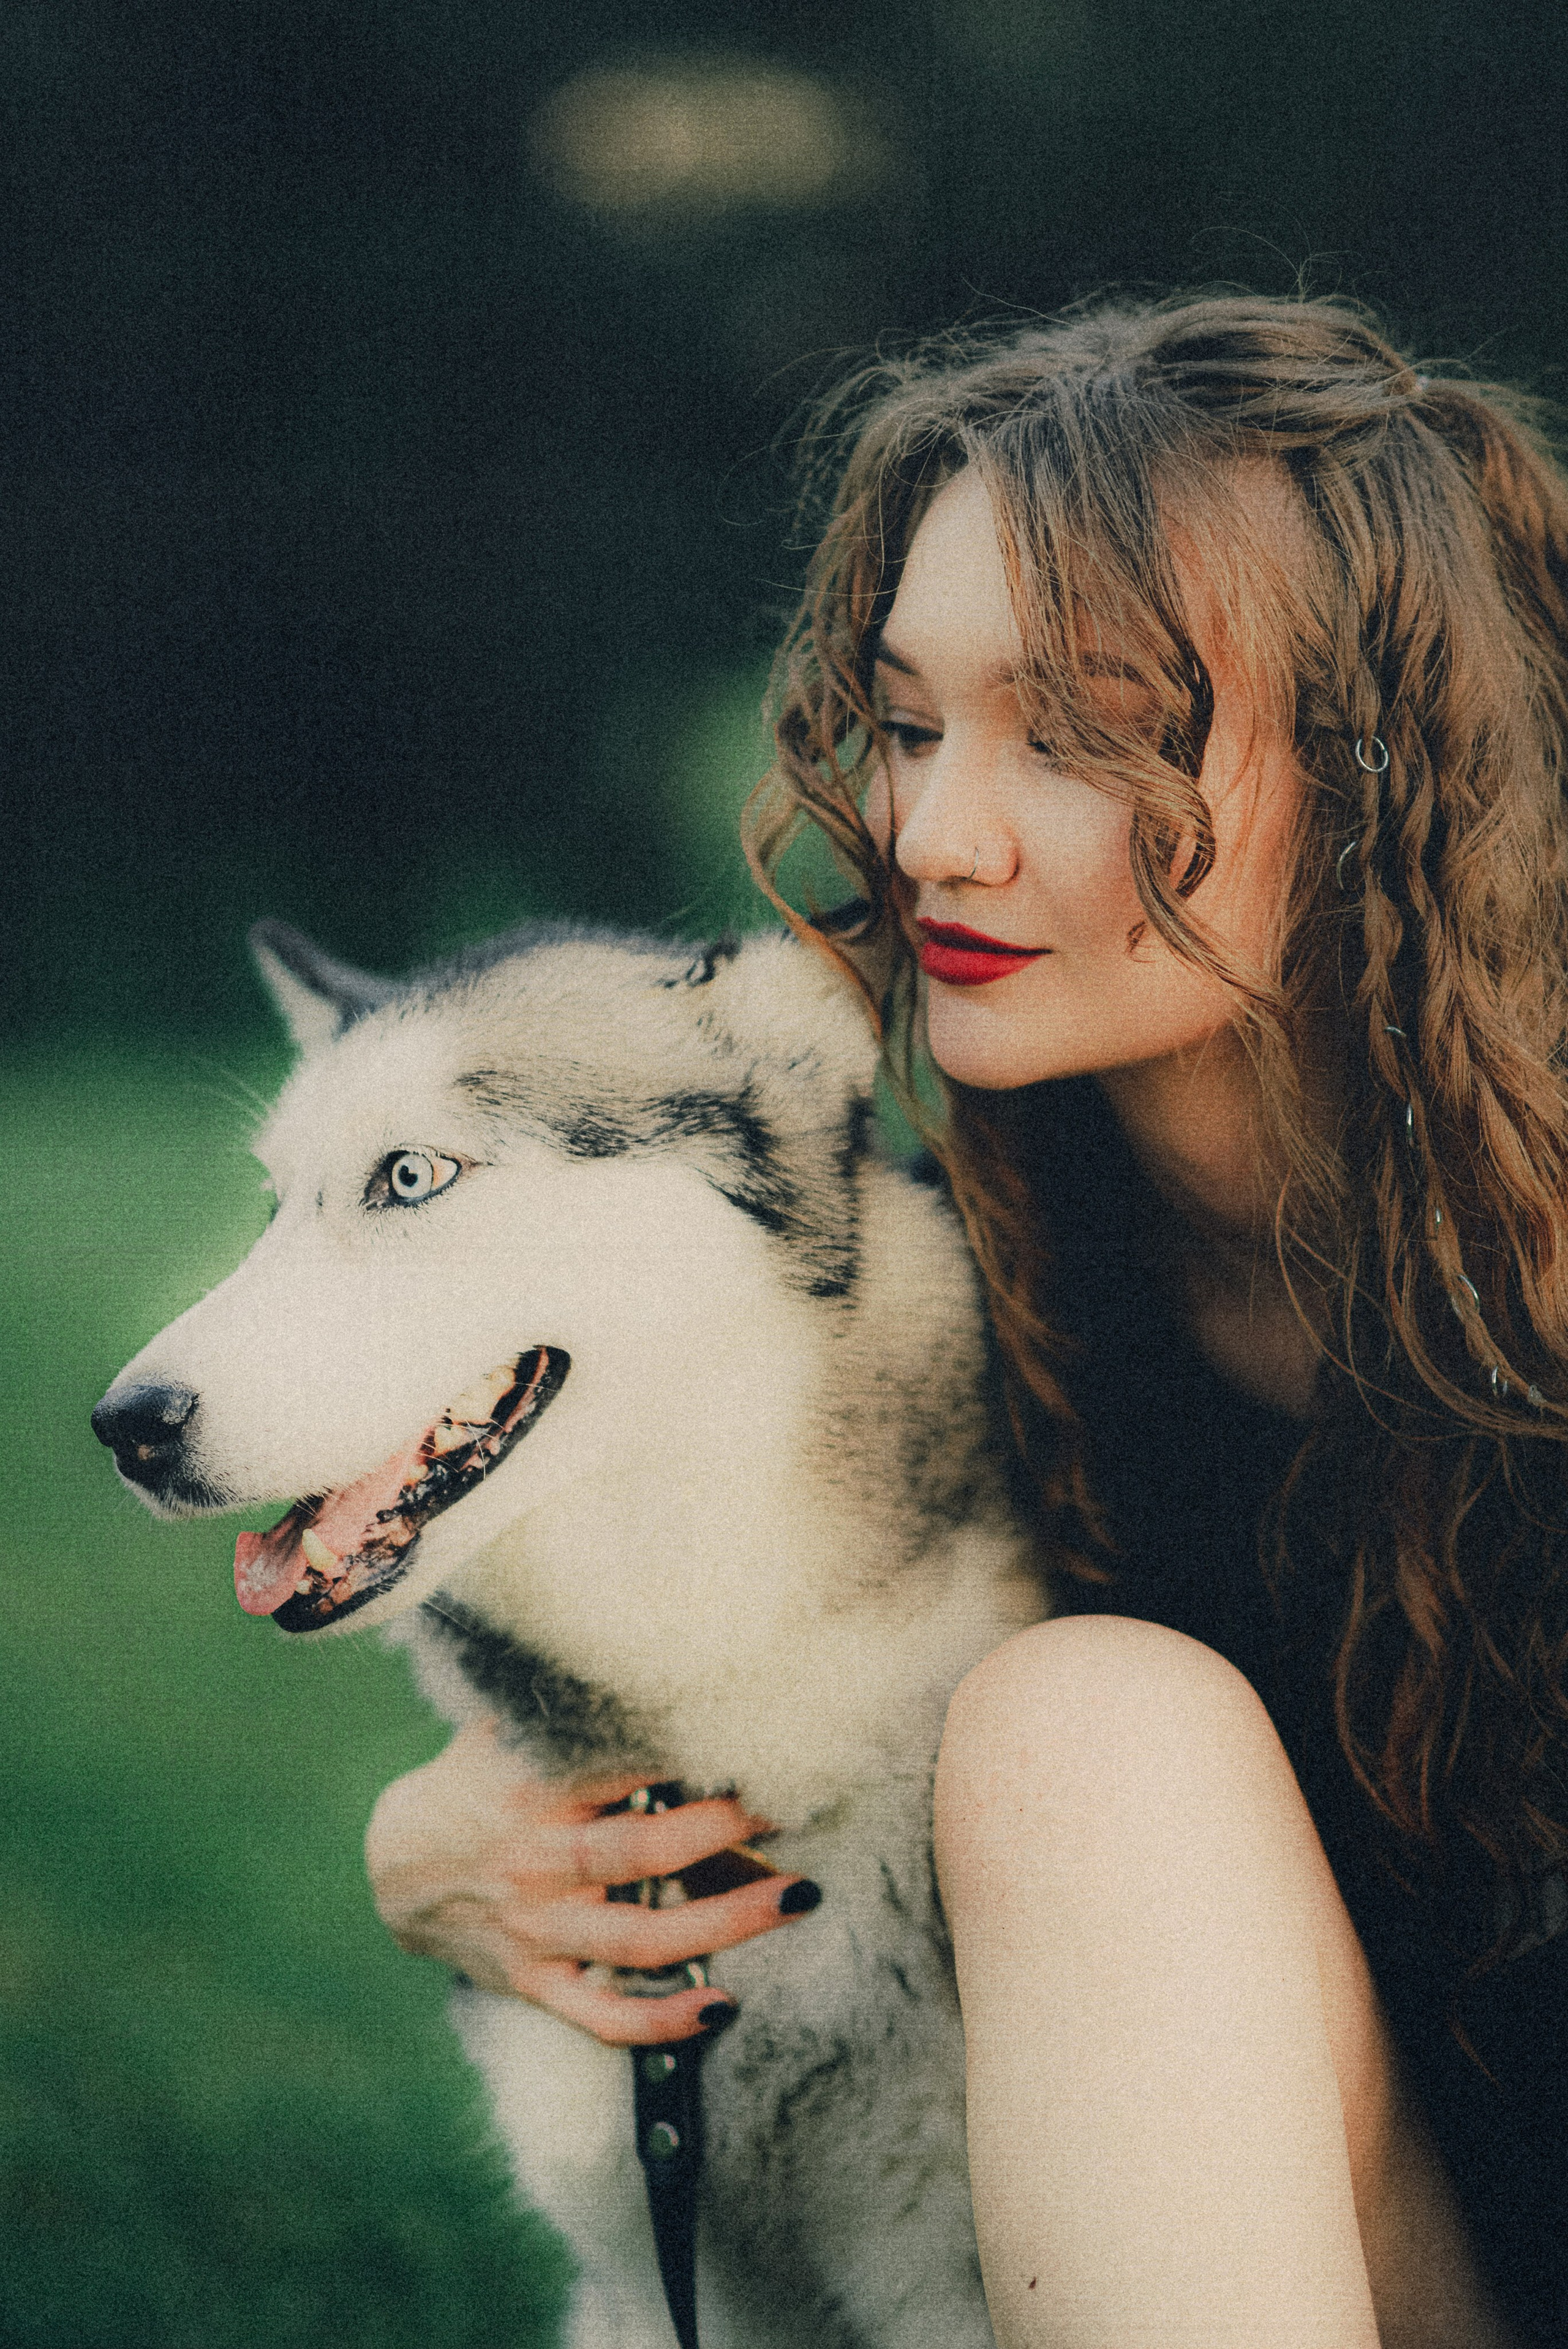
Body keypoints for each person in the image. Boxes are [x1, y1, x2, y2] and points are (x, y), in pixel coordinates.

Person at [363, 293, 1568, 2348]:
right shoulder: (969, 1275)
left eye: (1083, 728)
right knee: (1088, 1727)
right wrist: (432, 1834)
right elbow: (748, 1712)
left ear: (1385, 765)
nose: (935, 834)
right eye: (912, 721)